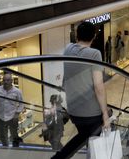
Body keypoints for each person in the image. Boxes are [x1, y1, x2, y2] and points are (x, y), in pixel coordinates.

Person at [52, 21, 110, 159]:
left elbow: (66, 78)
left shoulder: (67, 49)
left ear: (77, 35)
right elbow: (98, 86)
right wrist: (105, 114)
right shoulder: (94, 54)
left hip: (73, 109)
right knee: (91, 140)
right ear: (94, 36)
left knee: (85, 137)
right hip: (91, 113)